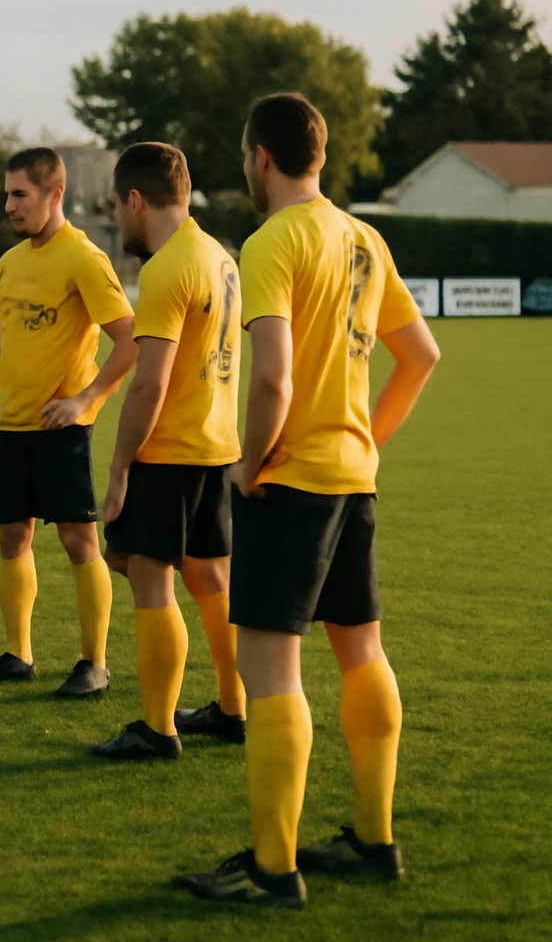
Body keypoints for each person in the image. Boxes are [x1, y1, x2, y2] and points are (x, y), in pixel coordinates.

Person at [176, 94, 440, 907]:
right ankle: (373, 840)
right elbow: (420, 356)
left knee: (272, 670)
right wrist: (362, 441)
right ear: (318, 154)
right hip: (351, 479)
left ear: (259, 156)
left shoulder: (271, 240)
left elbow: (272, 375)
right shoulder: (363, 236)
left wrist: (252, 465)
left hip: (290, 482)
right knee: (361, 653)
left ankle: (272, 866)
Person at [0, 147, 136, 696]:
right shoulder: (10, 262)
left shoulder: (82, 257)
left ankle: (95, 663)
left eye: (20, 194)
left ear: (54, 195)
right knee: (13, 536)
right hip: (13, 428)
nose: (9, 204)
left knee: (79, 541)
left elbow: (131, 342)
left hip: (63, 432)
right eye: (7, 193)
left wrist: (86, 399)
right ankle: (18, 654)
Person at [90, 143, 244, 761]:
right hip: (217, 448)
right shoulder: (219, 256)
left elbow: (150, 382)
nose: (118, 223)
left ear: (135, 200)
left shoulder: (164, 268)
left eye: (116, 209)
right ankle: (233, 710)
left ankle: (157, 729)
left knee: (151, 582)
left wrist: (121, 467)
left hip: (170, 452)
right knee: (211, 581)